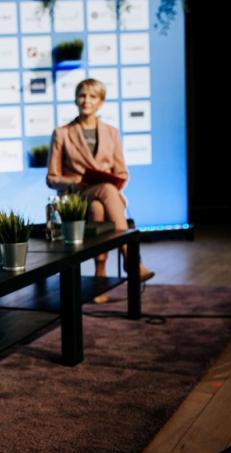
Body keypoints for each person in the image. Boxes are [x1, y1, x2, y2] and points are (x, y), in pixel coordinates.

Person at [46, 78, 154, 302]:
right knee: (101, 194)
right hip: (76, 196)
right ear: (76, 99)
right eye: (82, 95)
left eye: (92, 96)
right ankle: (132, 261)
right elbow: (52, 178)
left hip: (105, 198)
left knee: (99, 206)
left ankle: (100, 276)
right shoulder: (62, 133)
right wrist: (75, 182)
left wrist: (109, 183)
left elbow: (122, 173)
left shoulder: (111, 133)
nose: (86, 101)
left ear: (101, 102)